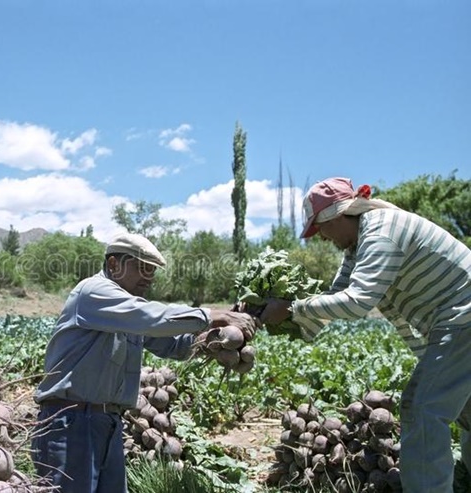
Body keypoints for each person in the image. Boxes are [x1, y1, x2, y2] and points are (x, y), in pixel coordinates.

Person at [260, 177, 471, 493]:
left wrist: (291, 308)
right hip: (457, 321)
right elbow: (338, 294)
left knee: (423, 408)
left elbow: (358, 301)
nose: (323, 238)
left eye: (321, 229)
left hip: (463, 319)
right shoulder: (358, 245)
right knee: (467, 413)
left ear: (339, 214)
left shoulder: (381, 231)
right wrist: (268, 318)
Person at [31, 232, 259, 493]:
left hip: (108, 423)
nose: (148, 278)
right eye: (142, 268)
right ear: (114, 265)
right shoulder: (93, 292)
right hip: (71, 423)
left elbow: (174, 345)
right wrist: (214, 315)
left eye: (152, 271)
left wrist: (216, 339)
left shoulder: (129, 314)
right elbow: (151, 316)